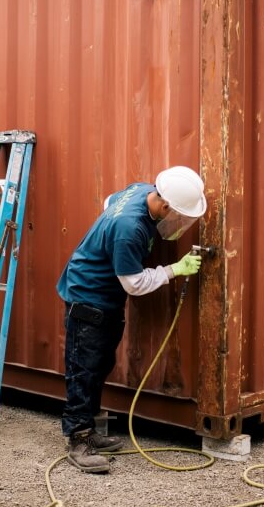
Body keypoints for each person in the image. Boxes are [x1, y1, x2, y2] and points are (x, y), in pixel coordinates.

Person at [56, 165, 208, 473]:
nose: (176, 219)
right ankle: (78, 440)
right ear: (164, 204)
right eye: (177, 213)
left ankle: (89, 430)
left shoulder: (139, 190)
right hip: (88, 297)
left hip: (104, 298)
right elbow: (133, 283)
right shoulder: (130, 228)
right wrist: (174, 270)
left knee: (99, 365)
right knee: (83, 371)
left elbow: (108, 201)